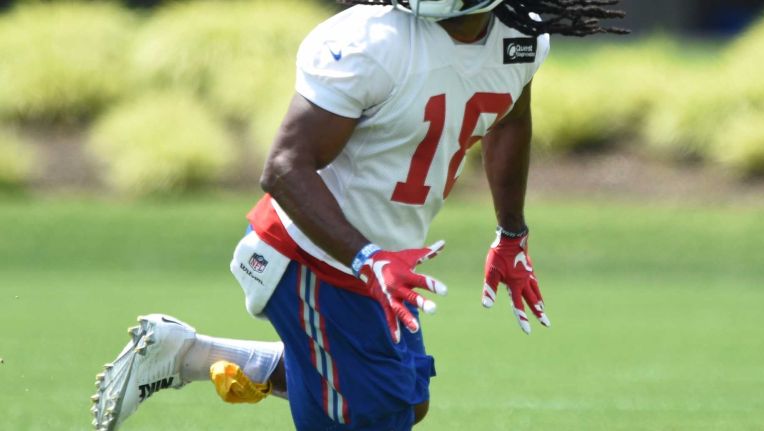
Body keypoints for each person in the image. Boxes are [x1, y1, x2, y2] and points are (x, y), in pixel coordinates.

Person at [91, 1, 626, 430]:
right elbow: (283, 167)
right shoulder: (371, 40)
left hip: (384, 263)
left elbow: (510, 118)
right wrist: (366, 258)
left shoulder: (518, 35)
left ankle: (185, 354)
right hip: (311, 254)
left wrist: (511, 233)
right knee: (373, 417)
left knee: (405, 403)